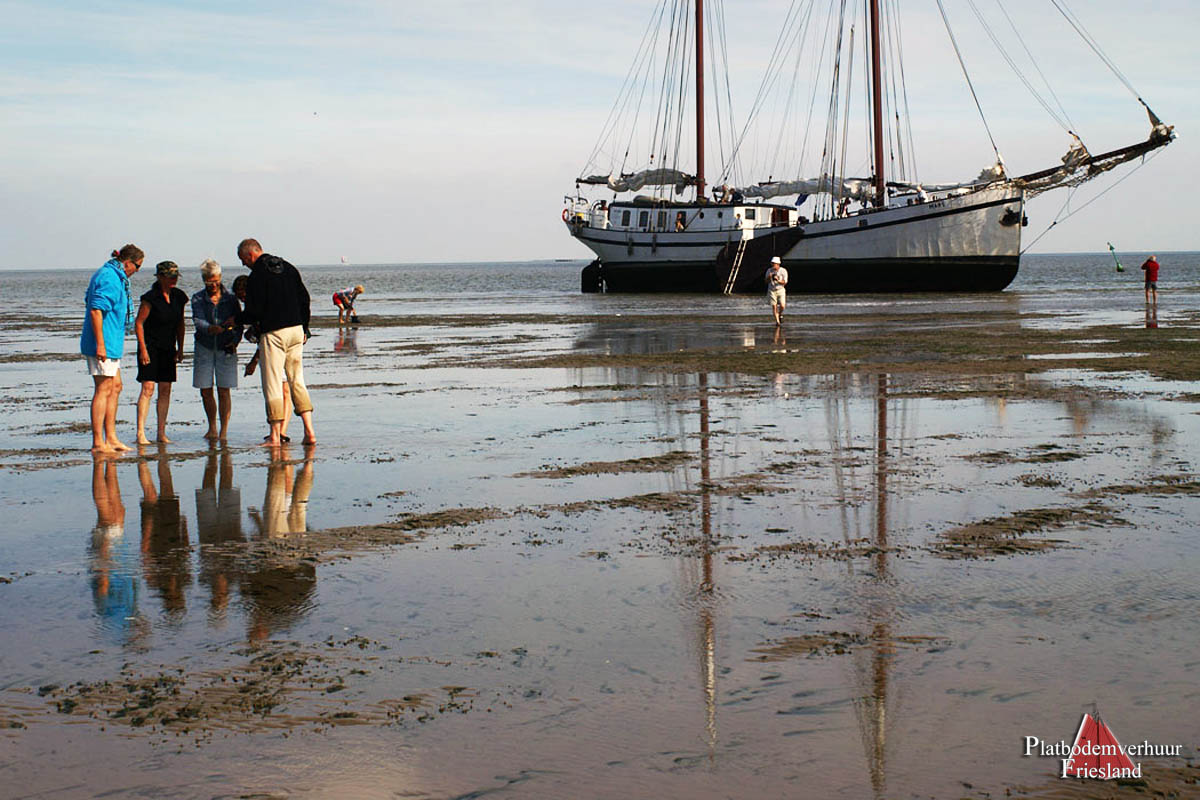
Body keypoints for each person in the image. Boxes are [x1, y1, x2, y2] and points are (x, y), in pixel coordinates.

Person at [237, 238, 316, 446]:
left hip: (274, 333)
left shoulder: (257, 276)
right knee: (297, 381)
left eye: (243, 261)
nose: (244, 265)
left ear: (250, 255)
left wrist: (236, 320)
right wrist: (304, 327)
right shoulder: (288, 267)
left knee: (272, 384)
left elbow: (254, 311)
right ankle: (309, 431)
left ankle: (274, 436)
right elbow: (304, 299)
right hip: (297, 330)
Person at [81, 245, 142, 453]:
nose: (137, 271)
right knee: (103, 388)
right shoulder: (109, 277)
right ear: (128, 263)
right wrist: (100, 344)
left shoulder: (116, 277)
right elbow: (96, 310)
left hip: (112, 342)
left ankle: (112, 437)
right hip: (103, 343)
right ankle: (99, 442)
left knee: (116, 386)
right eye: (138, 267)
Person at [233, 275, 292, 443]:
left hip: (279, 346)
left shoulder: (260, 305)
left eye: (244, 294)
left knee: (283, 390)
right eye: (239, 295)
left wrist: (253, 361)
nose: (242, 297)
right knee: (278, 390)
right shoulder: (254, 307)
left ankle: (281, 431)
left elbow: (266, 335)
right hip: (269, 349)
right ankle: (278, 431)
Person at [134, 261, 187, 444]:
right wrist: (143, 349)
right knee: (147, 388)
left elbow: (180, 323)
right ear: (160, 277)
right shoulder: (150, 298)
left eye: (175, 277)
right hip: (150, 347)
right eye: (170, 277)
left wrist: (180, 348)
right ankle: (141, 432)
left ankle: (161, 432)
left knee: (165, 389)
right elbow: (139, 323)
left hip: (168, 348)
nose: (173, 280)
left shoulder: (179, 297)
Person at [191, 259, 242, 441]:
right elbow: (198, 320)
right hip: (204, 346)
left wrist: (235, 341)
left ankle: (224, 430)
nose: (213, 285)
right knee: (205, 389)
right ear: (203, 280)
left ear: (220, 277)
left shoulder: (231, 299)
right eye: (209, 281)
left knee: (224, 389)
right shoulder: (197, 298)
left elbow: (239, 322)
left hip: (226, 347)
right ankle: (212, 426)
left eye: (215, 280)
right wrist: (210, 328)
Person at [766, 255, 788, 326]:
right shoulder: (769, 270)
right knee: (774, 306)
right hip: (772, 290)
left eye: (774, 264)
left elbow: (785, 282)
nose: (773, 265)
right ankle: (777, 322)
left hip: (780, 289)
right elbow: (766, 281)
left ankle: (780, 314)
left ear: (778, 264)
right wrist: (769, 277)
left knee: (782, 305)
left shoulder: (783, 271)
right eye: (772, 263)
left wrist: (778, 280)